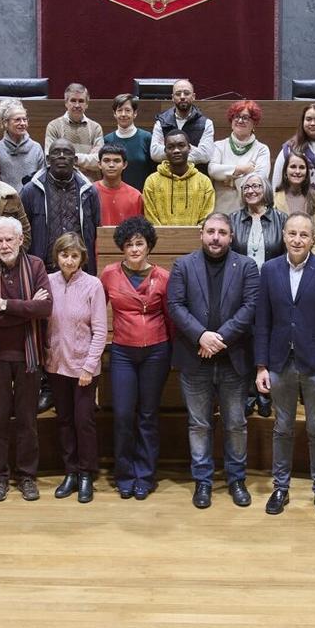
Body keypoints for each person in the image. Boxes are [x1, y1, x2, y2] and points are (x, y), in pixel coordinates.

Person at [255, 212, 315, 517]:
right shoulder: (268, 270)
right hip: (279, 362)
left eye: (303, 235)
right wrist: (261, 365)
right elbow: (262, 321)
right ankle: (281, 487)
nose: (297, 240)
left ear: (312, 238)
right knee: (282, 428)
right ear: (284, 235)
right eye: (292, 233)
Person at [167, 212, 259, 509]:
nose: (216, 237)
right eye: (210, 231)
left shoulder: (246, 266)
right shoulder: (183, 265)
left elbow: (249, 307)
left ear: (231, 237)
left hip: (233, 360)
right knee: (199, 425)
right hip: (196, 360)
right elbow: (175, 306)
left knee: (235, 424)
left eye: (222, 232)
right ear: (201, 234)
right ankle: (203, 482)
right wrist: (201, 337)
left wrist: (218, 339)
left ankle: (236, 480)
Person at [0, 216, 52, 503]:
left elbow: (45, 308)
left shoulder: (36, 266)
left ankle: (27, 476)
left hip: (29, 356)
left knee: (28, 419)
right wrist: (26, 309)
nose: (4, 245)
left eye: (9, 239)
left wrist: (6, 305)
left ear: (21, 240)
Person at [101, 217, 171, 500]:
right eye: (128, 244)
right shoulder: (108, 274)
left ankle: (145, 475)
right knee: (122, 415)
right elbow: (95, 310)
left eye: (139, 243)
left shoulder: (163, 277)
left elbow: (171, 316)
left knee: (148, 415)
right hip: (122, 353)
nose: (134, 248)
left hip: (157, 351)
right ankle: (124, 474)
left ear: (149, 245)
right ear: (121, 247)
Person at [45, 233, 107, 504]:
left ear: (82, 257)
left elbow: (101, 330)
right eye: (63, 255)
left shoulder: (93, 285)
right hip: (56, 365)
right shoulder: (47, 282)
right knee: (64, 421)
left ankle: (86, 473)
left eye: (74, 255)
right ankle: (70, 471)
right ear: (56, 257)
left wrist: (89, 366)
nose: (68, 260)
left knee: (84, 423)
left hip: (83, 368)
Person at [229, 173, 286, 417]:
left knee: (268, 340)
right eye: (247, 186)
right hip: (241, 291)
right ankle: (247, 393)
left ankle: (265, 394)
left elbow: (286, 256)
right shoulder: (232, 219)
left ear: (266, 189)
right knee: (244, 342)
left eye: (256, 185)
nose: (251, 190)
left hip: (272, 289)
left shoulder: (280, 219)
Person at [21, 139, 101, 273]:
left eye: (67, 152)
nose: (62, 156)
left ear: (75, 160)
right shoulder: (31, 191)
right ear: (48, 159)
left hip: (80, 268)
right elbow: (22, 232)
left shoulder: (89, 192)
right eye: (56, 152)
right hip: (43, 269)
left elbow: (96, 230)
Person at [142, 129, 217, 227]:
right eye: (170, 147)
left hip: (195, 240)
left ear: (189, 148)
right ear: (165, 151)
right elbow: (150, 218)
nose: (176, 150)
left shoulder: (204, 181)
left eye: (181, 146)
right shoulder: (152, 181)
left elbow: (207, 217)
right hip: (161, 240)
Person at [209, 99, 272, 214]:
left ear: (254, 123)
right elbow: (213, 170)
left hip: (248, 211)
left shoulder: (262, 149)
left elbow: (258, 181)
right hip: (220, 209)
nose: (240, 120)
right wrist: (243, 169)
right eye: (236, 116)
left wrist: (228, 178)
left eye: (245, 117)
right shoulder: (218, 146)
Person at [150, 78, 215, 174]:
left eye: (186, 93)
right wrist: (192, 150)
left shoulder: (206, 123)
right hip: (167, 177)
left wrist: (169, 150)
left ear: (193, 97)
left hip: (195, 179)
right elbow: (155, 153)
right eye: (178, 94)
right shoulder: (161, 122)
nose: (182, 97)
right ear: (172, 97)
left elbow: (205, 155)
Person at [273, 152, 315, 256]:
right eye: (293, 167)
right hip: (281, 260)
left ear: (307, 173)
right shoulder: (274, 199)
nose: (297, 171)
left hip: (312, 262)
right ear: (285, 171)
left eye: (302, 167)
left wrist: (308, 261)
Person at [45, 83, 104, 179]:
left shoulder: (96, 128)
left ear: (87, 104)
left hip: (89, 184)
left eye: (81, 101)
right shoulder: (54, 126)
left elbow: (98, 161)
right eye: (73, 100)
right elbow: (50, 159)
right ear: (66, 103)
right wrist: (87, 159)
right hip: (62, 183)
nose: (77, 105)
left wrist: (68, 157)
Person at [102, 93, 155, 191]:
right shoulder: (107, 140)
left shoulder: (146, 138)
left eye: (127, 110)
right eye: (119, 110)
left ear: (135, 113)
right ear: (114, 113)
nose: (123, 114)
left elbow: (153, 171)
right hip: (115, 195)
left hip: (142, 195)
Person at [0, 97, 45, 190]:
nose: (23, 123)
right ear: (5, 123)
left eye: (25, 119)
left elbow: (42, 179)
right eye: (17, 120)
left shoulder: (36, 148)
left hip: (30, 200)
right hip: (5, 200)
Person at [95, 144, 144, 226]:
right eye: (106, 160)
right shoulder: (89, 192)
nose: (111, 165)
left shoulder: (135, 196)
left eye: (116, 161)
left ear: (124, 165)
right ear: (99, 164)